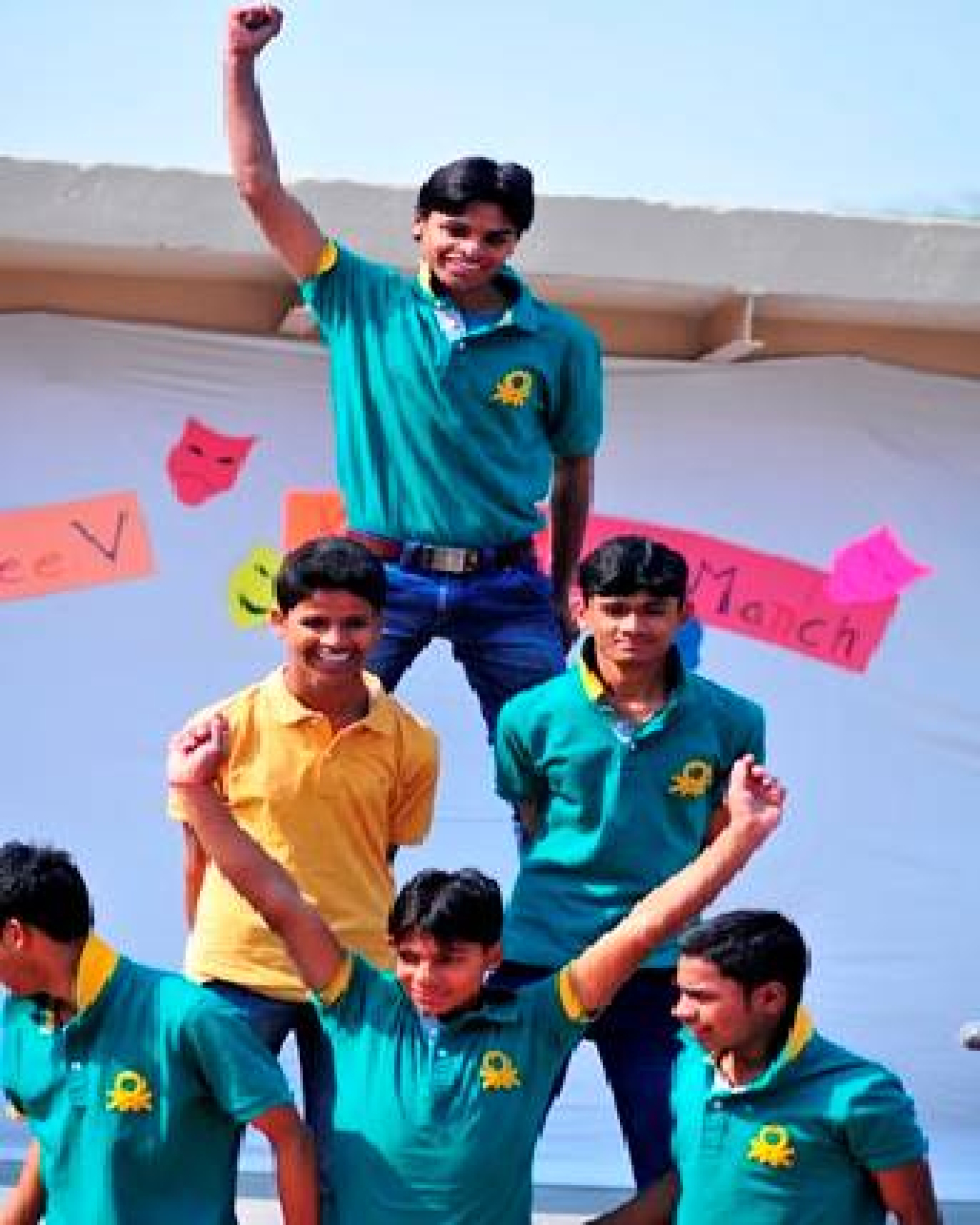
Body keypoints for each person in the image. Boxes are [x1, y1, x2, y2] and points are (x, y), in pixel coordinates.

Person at [168, 701, 784, 1225]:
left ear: (493, 955)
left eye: (448, 959)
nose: (424, 977)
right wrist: (193, 791)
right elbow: (275, 897)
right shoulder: (359, 1004)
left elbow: (646, 925)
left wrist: (740, 838)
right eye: (409, 957)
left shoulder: (538, 1020)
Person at [224, 5, 603, 738]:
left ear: (516, 243)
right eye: (456, 229)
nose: (473, 248)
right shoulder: (359, 296)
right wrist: (240, 62)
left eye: (497, 238)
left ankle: (549, 860)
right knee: (326, 749)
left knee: (556, 760)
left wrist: (559, 591)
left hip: (505, 578)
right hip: (379, 576)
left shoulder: (561, 340)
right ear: (420, 225)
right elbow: (258, 189)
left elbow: (574, 468)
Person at [170, 535, 438, 1203]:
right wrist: (204, 957)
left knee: (347, 1161)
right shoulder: (221, 726)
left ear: (381, 624)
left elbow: (382, 853)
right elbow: (197, 854)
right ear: (279, 621)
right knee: (199, 1153)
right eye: (314, 621)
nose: (335, 639)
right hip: (237, 972)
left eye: (354, 622)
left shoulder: (414, 740)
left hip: (354, 978)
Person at [492, 534, 765, 1188]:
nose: (632, 625)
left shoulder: (732, 719)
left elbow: (720, 834)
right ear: (581, 608)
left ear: (683, 612)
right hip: (541, 955)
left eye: (652, 608)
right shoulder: (528, 714)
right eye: (615, 607)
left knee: (673, 1149)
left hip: (663, 966)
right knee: (492, 1132)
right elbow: (531, 814)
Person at [0, 841, 316, 1225]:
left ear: (15, 934)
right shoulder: (17, 1021)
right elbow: (51, 1128)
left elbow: (289, 1136)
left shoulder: (188, 1016)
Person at [589, 911, 941, 1225]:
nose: (680, 1010)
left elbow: (917, 1217)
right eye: (680, 993)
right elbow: (691, 1178)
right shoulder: (689, 1064)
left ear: (770, 998)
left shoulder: (861, 1095)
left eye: (701, 997)